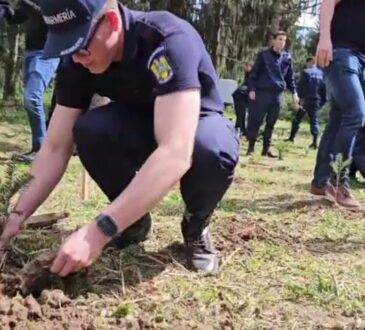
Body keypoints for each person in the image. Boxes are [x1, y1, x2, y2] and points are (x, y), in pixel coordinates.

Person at [0, 0, 239, 276]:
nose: (76, 57)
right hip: (138, 124)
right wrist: (17, 215)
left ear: (112, 22)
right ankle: (133, 221)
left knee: (210, 149)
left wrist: (99, 231)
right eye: (66, 47)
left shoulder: (166, 41)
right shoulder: (77, 60)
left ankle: (196, 224)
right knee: (89, 130)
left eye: (80, 45)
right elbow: (55, 147)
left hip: (194, 125)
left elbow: (175, 151)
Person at [311, 0, 365, 209]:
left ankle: (320, 182)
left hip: (361, 59)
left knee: (338, 118)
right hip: (342, 52)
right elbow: (328, 2)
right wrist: (324, 38)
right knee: (355, 113)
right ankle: (339, 183)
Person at [0, 0, 59, 163]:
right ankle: (38, 148)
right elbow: (18, 18)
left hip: (47, 53)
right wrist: (6, 11)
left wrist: (22, 2)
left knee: (32, 97)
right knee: (30, 100)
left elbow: (46, 15)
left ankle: (42, 150)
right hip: (30, 53)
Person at [246, 31, 299, 158]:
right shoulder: (263, 55)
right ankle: (251, 148)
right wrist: (252, 89)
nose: (282, 42)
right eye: (280, 39)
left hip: (277, 94)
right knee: (256, 120)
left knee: (271, 122)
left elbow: (290, 78)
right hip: (262, 92)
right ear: (273, 40)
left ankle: (266, 148)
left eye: (284, 40)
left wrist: (294, 93)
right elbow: (253, 74)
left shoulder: (287, 58)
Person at [286, 57, 327, 149]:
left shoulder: (306, 72)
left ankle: (291, 138)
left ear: (308, 63)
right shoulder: (322, 74)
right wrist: (323, 101)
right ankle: (315, 142)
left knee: (297, 119)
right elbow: (324, 89)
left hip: (305, 100)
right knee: (314, 121)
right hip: (316, 101)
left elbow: (301, 87)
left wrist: (299, 100)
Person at [232, 63, 252, 137]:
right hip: (241, 94)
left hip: (248, 93)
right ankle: (239, 127)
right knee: (240, 111)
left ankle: (242, 129)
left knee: (242, 111)